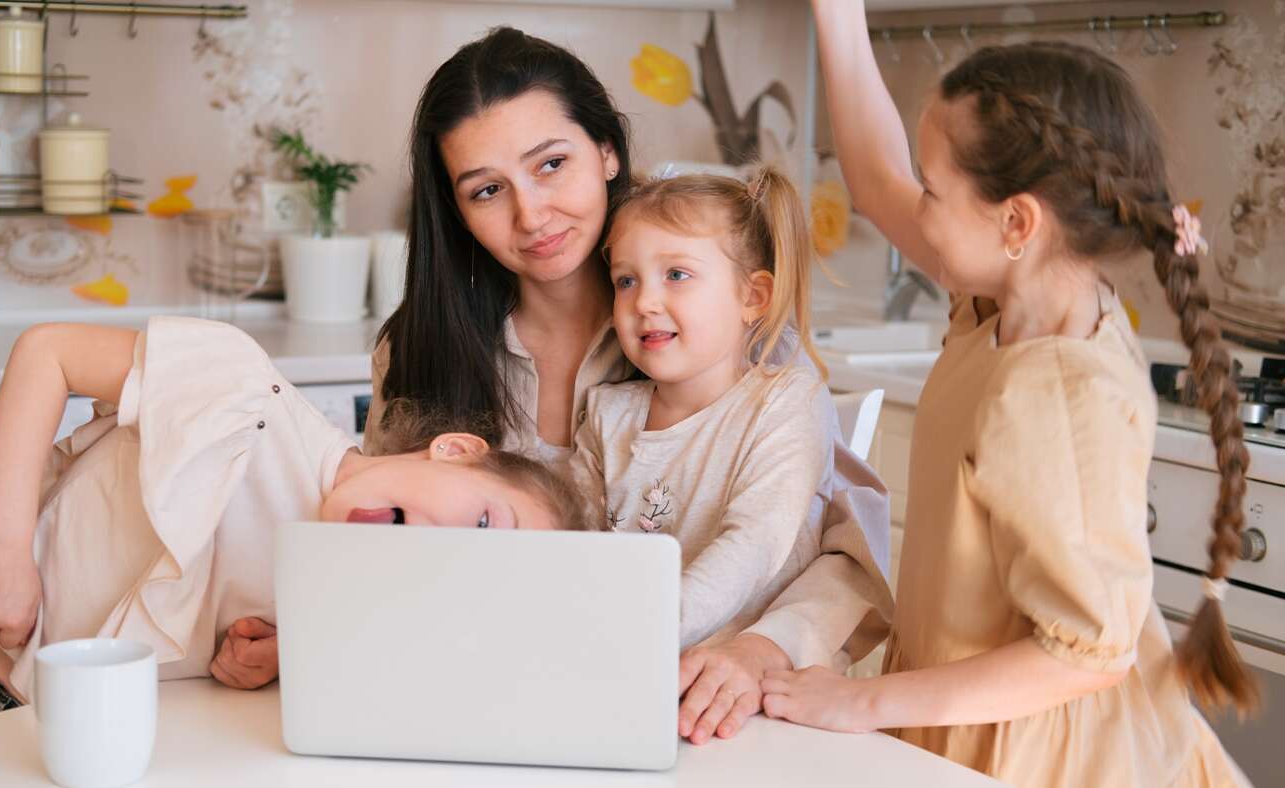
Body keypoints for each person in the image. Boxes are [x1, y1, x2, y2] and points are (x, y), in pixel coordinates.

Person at [759, 3, 1255, 785]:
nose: (914, 206)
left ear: (1016, 222)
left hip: (1034, 755)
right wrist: (839, 14)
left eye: (934, 190)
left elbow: (1086, 653)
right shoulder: (1001, 301)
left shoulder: (1056, 395)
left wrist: (860, 704)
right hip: (965, 718)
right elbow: (877, 178)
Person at [365, 26, 893, 744]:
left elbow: (848, 555)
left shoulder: (738, 342)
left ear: (607, 152)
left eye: (551, 164)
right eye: (488, 190)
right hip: (494, 705)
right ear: (456, 211)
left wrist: (762, 648)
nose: (531, 215)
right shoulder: (420, 347)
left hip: (721, 718)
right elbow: (376, 547)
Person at [0, 317, 584, 732]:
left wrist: (274, 659)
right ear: (456, 450)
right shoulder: (242, 395)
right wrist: (0, 546)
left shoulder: (344, 601)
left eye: (458, 573)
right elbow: (47, 352)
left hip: (108, 741)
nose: (436, 546)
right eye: (480, 524)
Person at [570, 167, 891, 657]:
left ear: (753, 297)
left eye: (676, 274)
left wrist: (652, 628)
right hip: (622, 663)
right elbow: (573, 538)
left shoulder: (786, 400)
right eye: (626, 280)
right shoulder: (608, 414)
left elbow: (755, 544)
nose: (645, 302)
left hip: (742, 685)